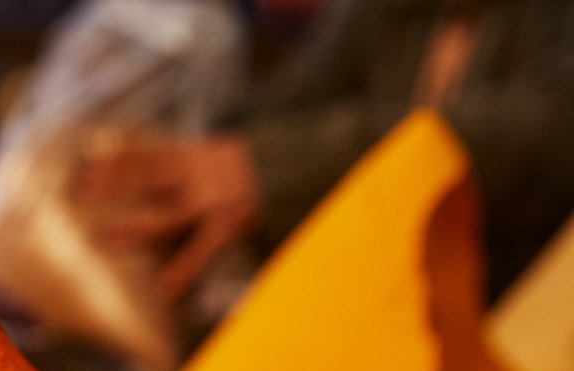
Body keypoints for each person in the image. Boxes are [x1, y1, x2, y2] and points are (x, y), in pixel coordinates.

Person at [77, 0, 574, 299]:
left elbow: (539, 134)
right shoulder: (396, 12)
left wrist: (268, 169)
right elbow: (286, 105)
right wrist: (187, 169)